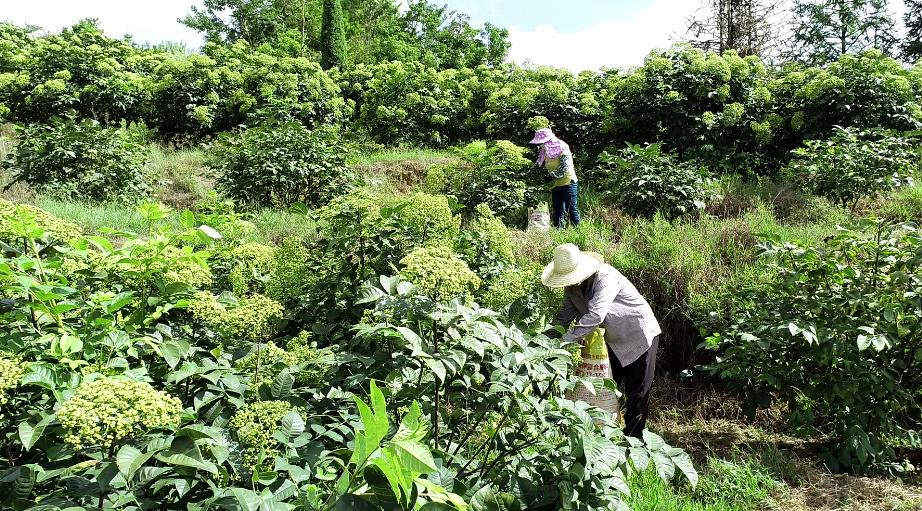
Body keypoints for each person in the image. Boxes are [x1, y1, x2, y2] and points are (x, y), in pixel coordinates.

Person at [542, 243, 661, 438]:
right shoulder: (572, 289)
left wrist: (563, 343)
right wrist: (542, 343)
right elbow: (562, 319)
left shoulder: (606, 277)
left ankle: (635, 442)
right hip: (612, 342)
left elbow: (595, 316)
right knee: (604, 390)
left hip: (638, 335)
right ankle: (605, 437)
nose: (569, 283)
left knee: (637, 393)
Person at [529, 128, 580, 228]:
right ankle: (559, 231)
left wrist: (550, 176)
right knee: (558, 209)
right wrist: (524, 175)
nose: (541, 145)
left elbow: (564, 168)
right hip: (556, 184)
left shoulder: (562, 147)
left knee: (571, 209)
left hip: (568, 182)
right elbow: (537, 166)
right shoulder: (544, 150)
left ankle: (578, 232)